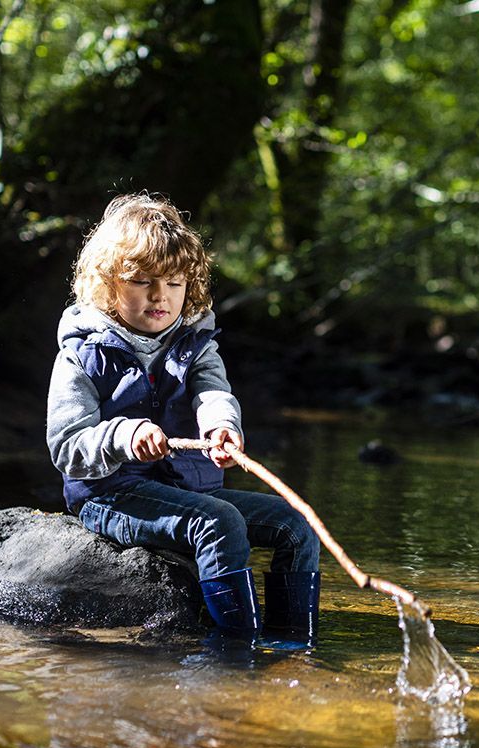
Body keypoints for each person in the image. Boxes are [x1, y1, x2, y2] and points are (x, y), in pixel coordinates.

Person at [45, 193, 320, 648]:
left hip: (188, 488)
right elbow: (68, 447)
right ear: (106, 285)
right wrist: (124, 435)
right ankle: (237, 650)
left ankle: (296, 644)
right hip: (112, 493)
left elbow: (213, 394)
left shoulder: (196, 344)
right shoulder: (80, 355)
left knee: (295, 525)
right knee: (218, 524)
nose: (161, 296)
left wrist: (221, 429)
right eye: (142, 282)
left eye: (174, 284)